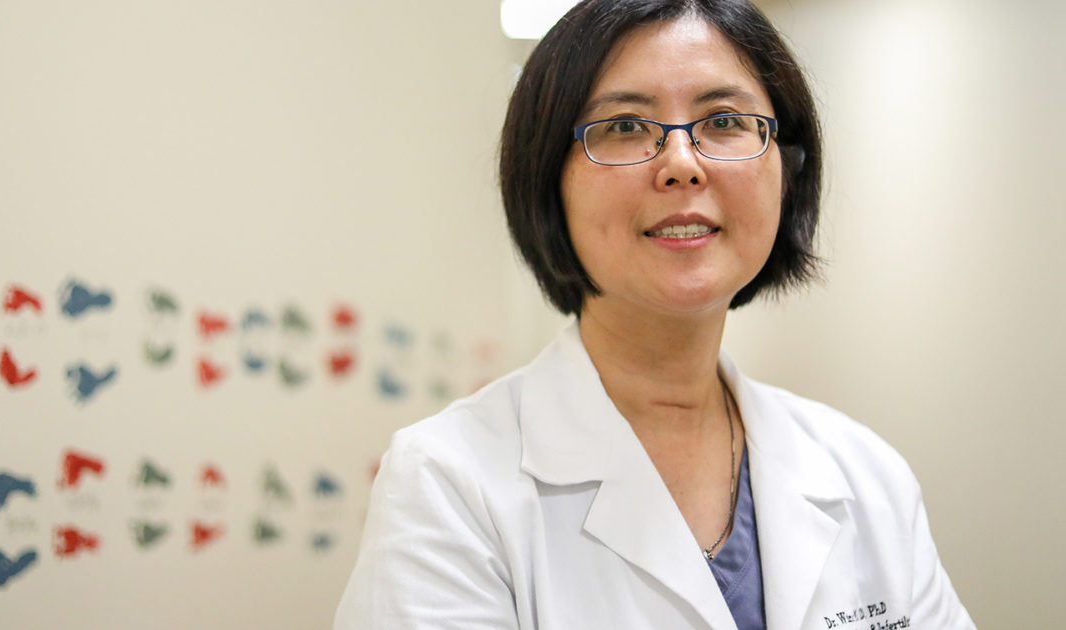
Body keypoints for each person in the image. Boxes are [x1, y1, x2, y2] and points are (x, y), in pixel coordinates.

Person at [335, 0, 976, 628]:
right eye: (623, 127)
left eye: (724, 120)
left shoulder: (866, 475)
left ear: (786, 167)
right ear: (547, 182)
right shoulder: (448, 482)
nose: (682, 165)